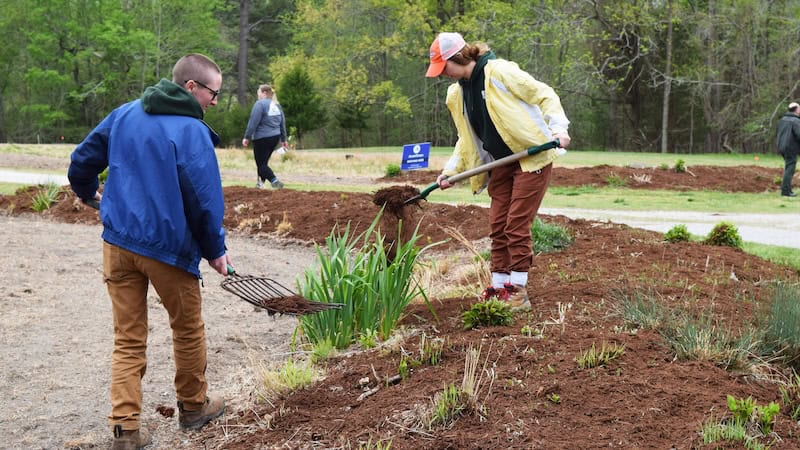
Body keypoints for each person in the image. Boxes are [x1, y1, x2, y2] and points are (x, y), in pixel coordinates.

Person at [68, 53, 230, 450]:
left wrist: (90, 195)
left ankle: (125, 431)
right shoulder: (191, 132)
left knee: (128, 337)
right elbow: (203, 200)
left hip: (119, 244)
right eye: (213, 93)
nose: (215, 101)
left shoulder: (124, 114)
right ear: (191, 87)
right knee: (187, 328)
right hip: (167, 249)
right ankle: (193, 408)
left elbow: (80, 163)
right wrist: (216, 250)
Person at [425, 32, 571, 311]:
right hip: (500, 163)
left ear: (459, 57)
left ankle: (517, 290)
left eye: (445, 67)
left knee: (516, 224)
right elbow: (465, 139)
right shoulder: (457, 92)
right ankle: (499, 284)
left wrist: (559, 129)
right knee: (497, 225)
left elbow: (544, 94)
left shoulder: (499, 72)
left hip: (531, 157)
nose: (443, 74)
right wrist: (450, 171)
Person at [242, 84, 288, 189]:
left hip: (261, 138)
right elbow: (282, 123)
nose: (258, 94)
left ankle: (274, 181)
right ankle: (260, 183)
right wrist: (283, 139)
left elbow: (253, 122)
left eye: (259, 92)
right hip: (275, 137)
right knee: (263, 162)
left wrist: (247, 137)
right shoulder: (277, 105)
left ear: (264, 93)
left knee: (261, 164)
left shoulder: (260, 104)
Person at [776, 102, 800, 197]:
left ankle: (787, 189)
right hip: (791, 148)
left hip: (782, 147)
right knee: (790, 169)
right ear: (797, 110)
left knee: (788, 168)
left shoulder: (782, 120)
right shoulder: (796, 121)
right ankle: (785, 191)